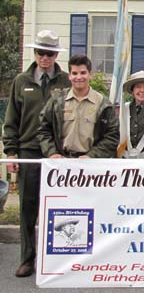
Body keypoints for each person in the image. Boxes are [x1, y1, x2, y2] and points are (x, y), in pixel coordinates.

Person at [2, 30, 71, 277]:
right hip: (29, 150)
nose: (45, 58)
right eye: (41, 53)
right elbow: (11, 118)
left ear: (56, 55)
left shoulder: (65, 81)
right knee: (28, 206)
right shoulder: (22, 81)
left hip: (58, 153)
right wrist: (11, 152)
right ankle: (27, 258)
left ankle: (56, 258)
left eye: (50, 53)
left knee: (60, 207)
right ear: (35, 53)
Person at [38, 54, 119, 158]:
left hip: (91, 164)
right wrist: (52, 152)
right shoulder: (57, 101)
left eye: (83, 73)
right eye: (75, 73)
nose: (79, 77)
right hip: (61, 163)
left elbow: (112, 136)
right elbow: (43, 130)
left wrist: (92, 155)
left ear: (90, 74)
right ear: (69, 76)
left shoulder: (103, 104)